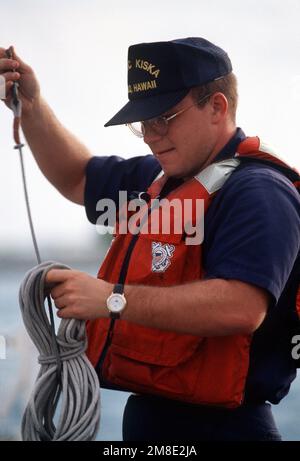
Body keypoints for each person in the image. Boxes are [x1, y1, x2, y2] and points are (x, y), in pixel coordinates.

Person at [1, 37, 300, 442]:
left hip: (227, 428)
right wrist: (32, 108)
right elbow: (77, 177)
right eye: (143, 123)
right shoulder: (158, 180)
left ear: (216, 107)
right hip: (150, 419)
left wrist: (110, 298)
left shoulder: (260, 192)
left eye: (165, 118)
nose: (150, 135)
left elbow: (241, 307)